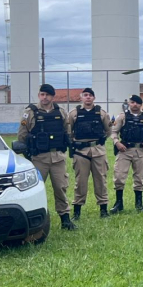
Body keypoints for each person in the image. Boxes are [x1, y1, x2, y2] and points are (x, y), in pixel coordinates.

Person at [17, 83, 76, 230]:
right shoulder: (29, 112)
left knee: (60, 188)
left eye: (47, 95)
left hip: (57, 157)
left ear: (52, 96)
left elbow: (67, 132)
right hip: (39, 158)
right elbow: (22, 135)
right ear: (39, 95)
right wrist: (27, 153)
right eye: (42, 94)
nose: (44, 97)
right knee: (34, 190)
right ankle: (33, 221)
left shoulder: (61, 112)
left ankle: (65, 219)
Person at [66, 87, 112, 220]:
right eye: (85, 95)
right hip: (81, 152)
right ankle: (77, 212)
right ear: (81, 97)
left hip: (98, 151)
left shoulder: (101, 113)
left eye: (90, 95)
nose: (88, 97)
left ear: (94, 98)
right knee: (80, 182)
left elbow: (108, 130)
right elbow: (69, 131)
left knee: (101, 180)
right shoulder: (74, 113)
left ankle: (103, 210)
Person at [110, 95, 143, 213]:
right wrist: (117, 143)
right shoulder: (122, 117)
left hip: (140, 150)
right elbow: (114, 132)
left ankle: (139, 204)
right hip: (124, 150)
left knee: (139, 177)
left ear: (141, 104)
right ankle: (119, 203)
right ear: (129, 104)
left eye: (137, 103)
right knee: (119, 176)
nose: (134, 105)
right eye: (132, 102)